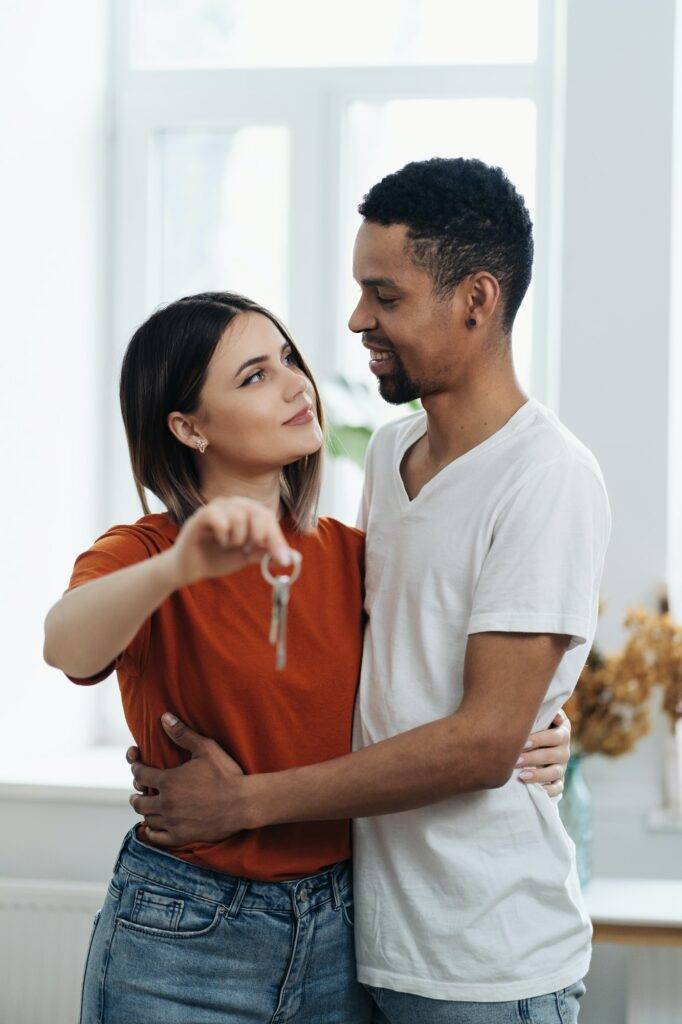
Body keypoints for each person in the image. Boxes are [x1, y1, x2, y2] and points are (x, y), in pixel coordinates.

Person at [127, 159, 610, 1023]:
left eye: (385, 297)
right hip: (367, 946)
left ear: (476, 300)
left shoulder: (550, 477)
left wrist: (247, 802)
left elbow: (480, 744)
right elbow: (388, 663)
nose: (356, 321)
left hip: (488, 966)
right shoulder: (390, 456)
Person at [43, 289, 568, 1024]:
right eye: (254, 375)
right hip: (182, 938)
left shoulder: (358, 557)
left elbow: (433, 675)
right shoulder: (146, 554)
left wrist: (541, 724)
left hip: (344, 933)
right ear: (188, 427)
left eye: (288, 358)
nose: (296, 383)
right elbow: (65, 644)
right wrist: (178, 569)